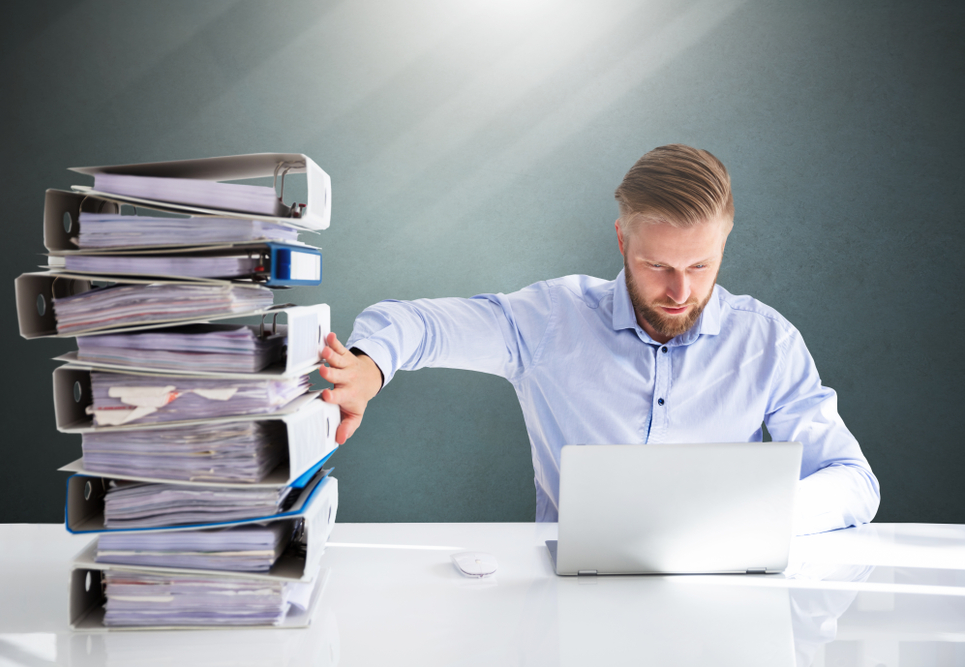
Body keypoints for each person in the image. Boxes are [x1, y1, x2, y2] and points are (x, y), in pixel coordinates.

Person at [317, 144, 880, 534]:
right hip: (570, 603)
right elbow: (417, 323)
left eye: (702, 266)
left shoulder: (768, 343)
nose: (680, 291)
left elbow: (854, 482)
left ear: (725, 245)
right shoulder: (551, 319)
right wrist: (370, 365)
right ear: (621, 240)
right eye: (657, 265)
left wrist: (757, 516)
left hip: (724, 606)